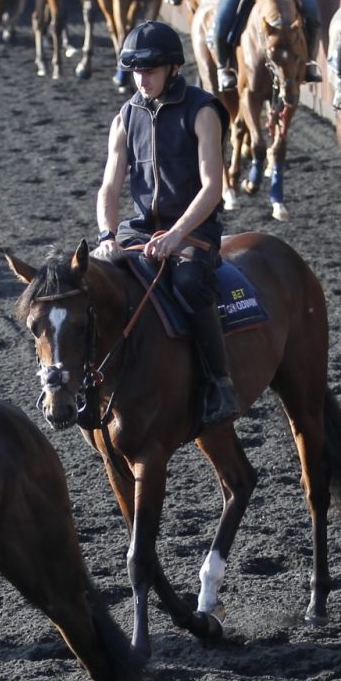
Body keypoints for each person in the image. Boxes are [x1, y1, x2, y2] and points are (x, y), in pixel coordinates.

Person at [96, 22, 237, 427]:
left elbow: (213, 187)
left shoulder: (203, 110)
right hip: (139, 229)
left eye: (151, 71)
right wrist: (108, 235)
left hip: (193, 229)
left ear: (174, 68)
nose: (142, 80)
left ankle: (219, 381)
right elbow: (109, 187)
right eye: (137, 72)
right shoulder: (125, 117)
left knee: (190, 282)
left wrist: (177, 235)